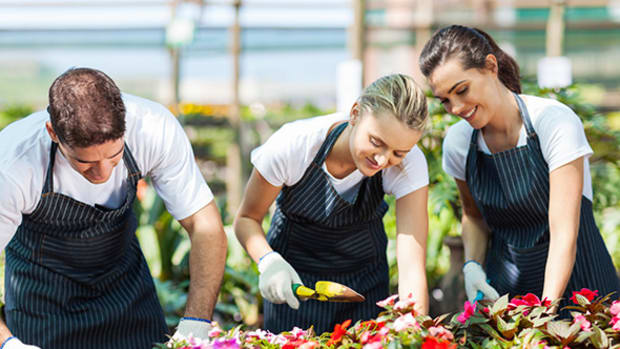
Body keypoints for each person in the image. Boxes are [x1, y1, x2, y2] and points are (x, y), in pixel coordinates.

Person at [0, 68, 227, 349]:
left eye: (114, 155)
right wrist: (9, 343)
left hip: (126, 294)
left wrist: (197, 322)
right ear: (53, 133)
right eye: (85, 163)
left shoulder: (154, 128)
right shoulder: (14, 165)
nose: (103, 173)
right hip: (42, 301)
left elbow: (204, 225)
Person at [418, 25, 619, 310]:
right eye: (445, 100)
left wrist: (544, 316)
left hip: (581, 288)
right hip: (508, 291)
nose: (456, 108)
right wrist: (472, 265)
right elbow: (473, 216)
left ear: (490, 66)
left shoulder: (552, 122)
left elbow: (563, 233)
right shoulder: (460, 142)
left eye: (462, 90)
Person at [233, 73, 430, 334]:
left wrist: (414, 334)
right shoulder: (293, 146)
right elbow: (246, 219)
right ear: (355, 113)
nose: (383, 160)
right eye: (376, 142)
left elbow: (411, 267)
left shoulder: (410, 165)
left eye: (398, 153)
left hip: (363, 287)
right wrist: (268, 261)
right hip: (293, 282)